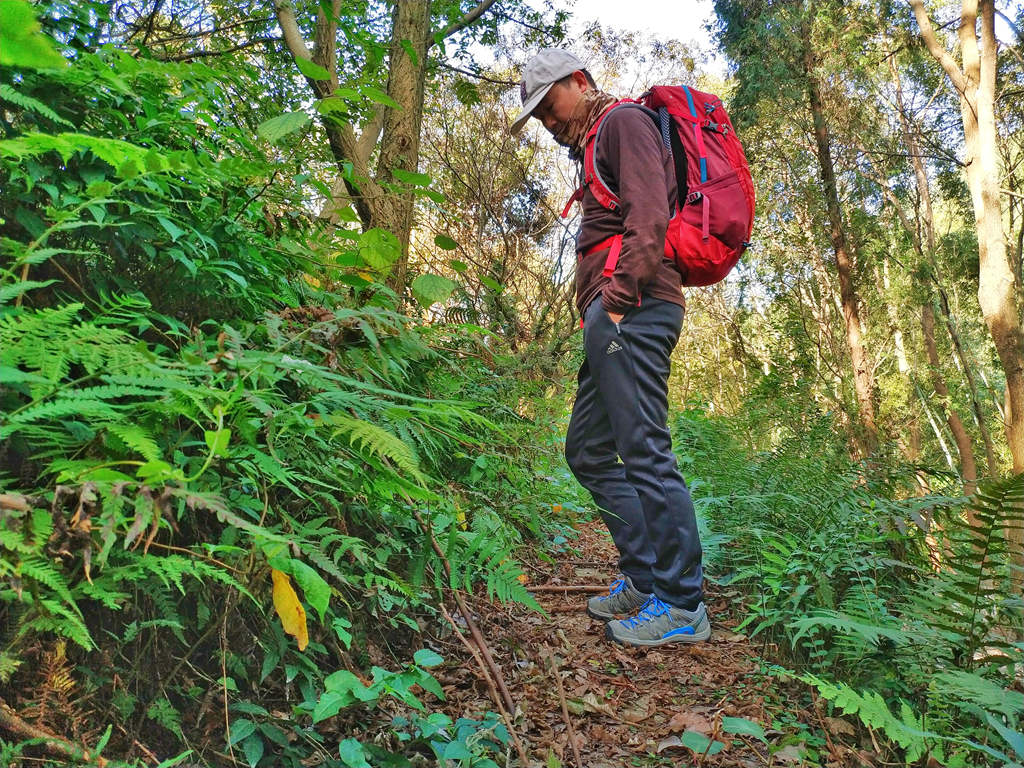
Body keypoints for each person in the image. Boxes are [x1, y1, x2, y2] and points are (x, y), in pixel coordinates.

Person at [511, 49, 710, 646]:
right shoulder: (597, 139)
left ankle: (682, 603)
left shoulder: (623, 122)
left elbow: (649, 219)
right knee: (589, 451)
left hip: (637, 307)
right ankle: (647, 575)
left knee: (645, 451)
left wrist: (617, 301)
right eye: (538, 114)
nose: (548, 119)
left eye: (550, 102)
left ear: (579, 80)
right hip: (614, 314)